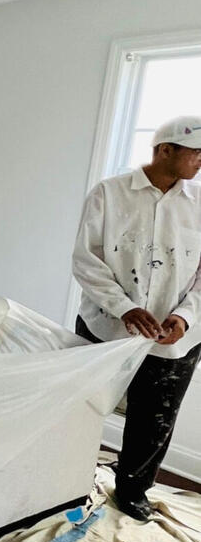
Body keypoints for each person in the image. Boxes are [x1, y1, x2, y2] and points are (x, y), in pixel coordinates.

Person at [72, 116, 201, 520]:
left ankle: (133, 490)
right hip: (105, 328)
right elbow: (86, 260)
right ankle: (68, 478)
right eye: (196, 152)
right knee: (83, 407)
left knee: (154, 420)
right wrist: (123, 306)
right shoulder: (108, 195)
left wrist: (184, 317)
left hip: (174, 337)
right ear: (166, 150)